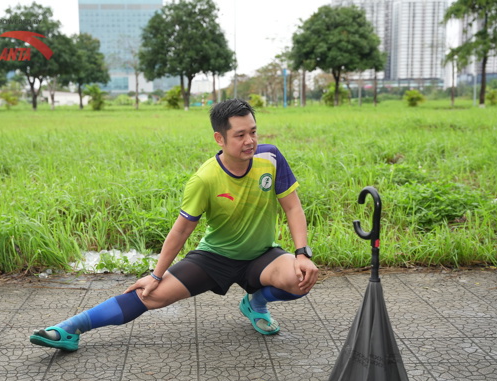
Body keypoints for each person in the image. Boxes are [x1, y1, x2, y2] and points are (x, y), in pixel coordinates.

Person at [30, 99, 319, 352]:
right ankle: (70, 328)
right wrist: (155, 275)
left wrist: (302, 253)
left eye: (253, 132)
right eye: (240, 135)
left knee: (300, 278)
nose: (250, 141)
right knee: (151, 295)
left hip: (262, 255)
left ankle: (256, 301)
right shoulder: (205, 179)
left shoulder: (270, 158)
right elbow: (181, 230)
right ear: (219, 138)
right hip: (215, 257)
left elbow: (292, 206)